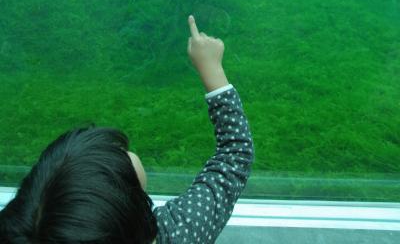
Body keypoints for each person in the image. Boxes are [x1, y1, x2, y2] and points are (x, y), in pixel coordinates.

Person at [0, 16, 254, 243]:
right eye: (122, 161)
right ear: (129, 210)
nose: (128, 153)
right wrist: (212, 69)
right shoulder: (179, 233)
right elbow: (234, 157)